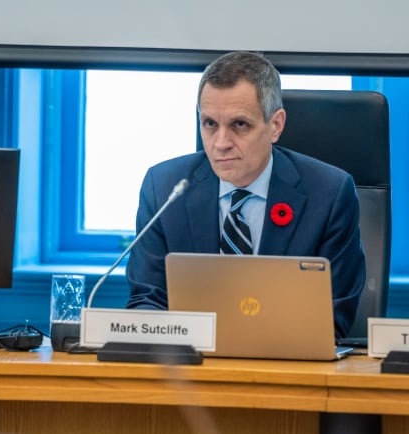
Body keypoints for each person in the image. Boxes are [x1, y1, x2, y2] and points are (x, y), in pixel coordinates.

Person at [125, 51, 365, 339]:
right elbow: (147, 301)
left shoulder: (329, 194)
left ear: (275, 125)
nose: (221, 143)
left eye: (239, 124)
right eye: (210, 124)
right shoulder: (164, 188)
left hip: (286, 370)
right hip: (189, 368)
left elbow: (332, 316)